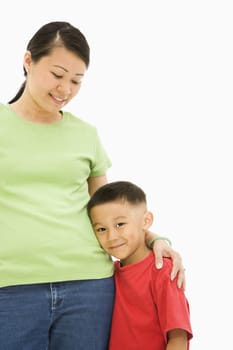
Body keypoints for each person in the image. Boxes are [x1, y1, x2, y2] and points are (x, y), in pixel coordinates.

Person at [0, 21, 185, 350]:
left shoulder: (85, 134)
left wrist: (155, 237)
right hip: (11, 289)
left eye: (76, 81)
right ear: (28, 61)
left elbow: (106, 209)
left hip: (88, 288)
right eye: (57, 75)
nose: (65, 89)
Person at [87, 180, 193, 350]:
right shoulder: (109, 272)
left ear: (146, 221)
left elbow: (178, 338)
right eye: (101, 229)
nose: (112, 236)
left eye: (120, 224)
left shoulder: (163, 270)